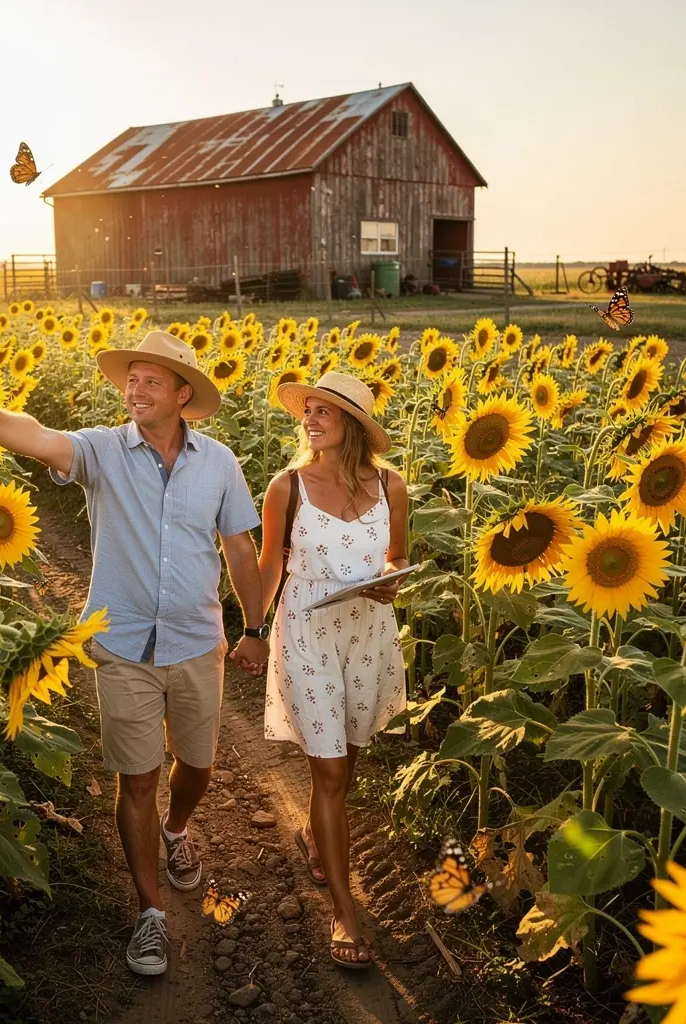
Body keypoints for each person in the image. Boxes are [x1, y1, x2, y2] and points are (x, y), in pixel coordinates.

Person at [0, 330, 271, 977]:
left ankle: (177, 830)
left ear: (182, 394)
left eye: (150, 381)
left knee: (196, 766)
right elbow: (36, 436)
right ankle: (150, 914)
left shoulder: (220, 463)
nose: (134, 390)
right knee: (137, 778)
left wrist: (255, 626)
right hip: (122, 645)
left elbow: (238, 547)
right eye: (130, 380)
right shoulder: (101, 451)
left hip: (196, 640)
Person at [257, 371, 409, 969]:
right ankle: (344, 911)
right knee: (331, 769)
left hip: (368, 633)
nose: (310, 419)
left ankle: (315, 838)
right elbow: (270, 567)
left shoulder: (392, 485)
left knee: (350, 757)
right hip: (306, 631)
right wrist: (249, 629)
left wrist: (392, 579)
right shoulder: (287, 487)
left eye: (324, 411)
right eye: (308, 410)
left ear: (354, 425)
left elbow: (397, 554)